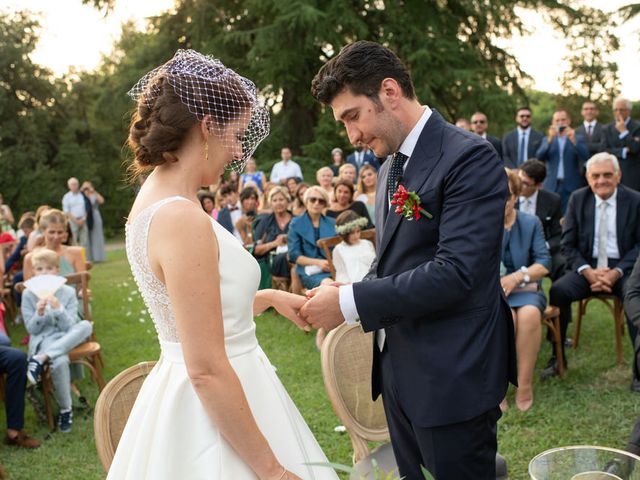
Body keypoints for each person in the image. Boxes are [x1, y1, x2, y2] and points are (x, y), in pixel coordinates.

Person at [112, 49, 336, 479]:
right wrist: (271, 469)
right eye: (235, 134)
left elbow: (192, 311)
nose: (237, 151)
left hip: (201, 387)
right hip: (215, 407)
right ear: (207, 126)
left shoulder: (157, 198)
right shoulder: (180, 217)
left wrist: (267, 297)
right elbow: (206, 368)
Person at [307, 40, 515, 479]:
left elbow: (456, 273)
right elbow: (392, 259)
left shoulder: (469, 157)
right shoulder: (389, 167)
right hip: (399, 370)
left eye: (352, 117)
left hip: (453, 373)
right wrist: (347, 288)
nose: (353, 137)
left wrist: (349, 305)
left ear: (389, 91)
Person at [544, 153, 640, 380]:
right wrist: (588, 271)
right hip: (587, 267)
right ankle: (558, 358)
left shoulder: (635, 200)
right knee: (558, 290)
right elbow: (567, 245)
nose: (601, 181)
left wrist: (616, 272)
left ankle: (638, 369)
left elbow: (639, 245)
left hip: (624, 268)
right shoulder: (578, 199)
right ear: (588, 178)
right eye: (595, 176)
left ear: (618, 176)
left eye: (607, 175)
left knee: (635, 295)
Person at [22, 249, 92, 433]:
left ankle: (41, 358)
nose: (44, 273)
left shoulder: (68, 292)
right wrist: (39, 313)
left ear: (57, 271)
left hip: (66, 337)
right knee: (59, 360)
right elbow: (32, 330)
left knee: (85, 325)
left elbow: (70, 327)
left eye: (49, 269)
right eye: (39, 269)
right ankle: (65, 410)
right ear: (34, 272)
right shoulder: (28, 295)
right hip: (45, 339)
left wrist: (58, 308)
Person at [501, 169, 550, 412]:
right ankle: (498, 386)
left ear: (517, 196)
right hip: (495, 294)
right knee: (505, 317)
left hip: (527, 288)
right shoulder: (482, 225)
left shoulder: (531, 223)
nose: (503, 202)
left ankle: (524, 384)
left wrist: (517, 276)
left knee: (529, 314)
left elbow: (543, 263)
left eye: (507, 195)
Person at [518, 159, 566, 280]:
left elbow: (558, 235)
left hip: (541, 251)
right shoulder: (509, 196)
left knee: (561, 263)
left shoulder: (552, 200)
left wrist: (542, 247)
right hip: (513, 249)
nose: (519, 185)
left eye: (525, 183)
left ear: (539, 185)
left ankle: (557, 295)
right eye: (518, 180)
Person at [535, 110, 589, 213]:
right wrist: (549, 140)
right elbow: (539, 157)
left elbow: (585, 156)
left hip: (571, 185)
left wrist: (574, 141)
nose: (560, 122)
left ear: (568, 121)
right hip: (551, 184)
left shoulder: (578, 138)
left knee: (570, 215)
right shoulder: (547, 139)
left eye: (563, 120)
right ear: (553, 123)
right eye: (557, 120)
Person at [287, 186, 336, 290]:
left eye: (321, 201)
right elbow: (294, 255)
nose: (316, 203)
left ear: (325, 204)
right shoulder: (296, 223)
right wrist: (318, 262)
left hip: (332, 268)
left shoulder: (332, 223)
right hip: (309, 270)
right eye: (313, 199)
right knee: (330, 285)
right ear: (306, 201)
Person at [23, 209, 85, 280]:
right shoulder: (30, 257)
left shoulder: (76, 253)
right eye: (52, 232)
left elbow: (82, 284)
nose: (56, 237)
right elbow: (27, 288)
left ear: (65, 233)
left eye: (60, 232)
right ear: (43, 231)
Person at [254, 187, 293, 281]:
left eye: (281, 199)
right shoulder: (265, 221)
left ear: (288, 201)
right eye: (275, 200)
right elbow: (256, 250)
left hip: (294, 255)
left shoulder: (296, 220)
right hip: (273, 260)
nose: (278, 203)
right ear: (271, 203)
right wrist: (275, 243)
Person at [604, 97, 640, 191]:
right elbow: (604, 150)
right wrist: (623, 151)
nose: (618, 112)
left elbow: (635, 148)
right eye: (615, 110)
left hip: (633, 175)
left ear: (628, 111)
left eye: (621, 110)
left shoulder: (637, 127)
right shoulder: (607, 128)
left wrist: (624, 132)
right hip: (612, 173)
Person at [333, 211, 376, 283]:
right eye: (352, 233)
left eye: (358, 231)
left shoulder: (367, 244)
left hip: (373, 281)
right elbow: (341, 274)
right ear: (344, 233)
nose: (356, 236)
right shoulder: (339, 249)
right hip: (354, 284)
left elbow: (375, 265)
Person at [61, 177, 90, 251]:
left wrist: (83, 219)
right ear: (69, 186)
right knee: (73, 240)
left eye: (75, 184)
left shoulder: (83, 195)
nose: (74, 186)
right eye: (72, 184)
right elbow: (66, 211)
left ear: (78, 185)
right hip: (72, 221)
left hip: (83, 219)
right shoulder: (66, 197)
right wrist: (76, 221)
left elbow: (87, 207)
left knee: (84, 241)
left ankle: (84, 259)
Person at [81, 181, 106, 263]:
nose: (86, 189)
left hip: (95, 215)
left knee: (97, 236)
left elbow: (102, 201)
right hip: (85, 216)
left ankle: (98, 257)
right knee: (85, 237)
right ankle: (87, 258)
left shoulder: (94, 194)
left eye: (88, 187)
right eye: (85, 187)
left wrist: (93, 191)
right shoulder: (81, 196)